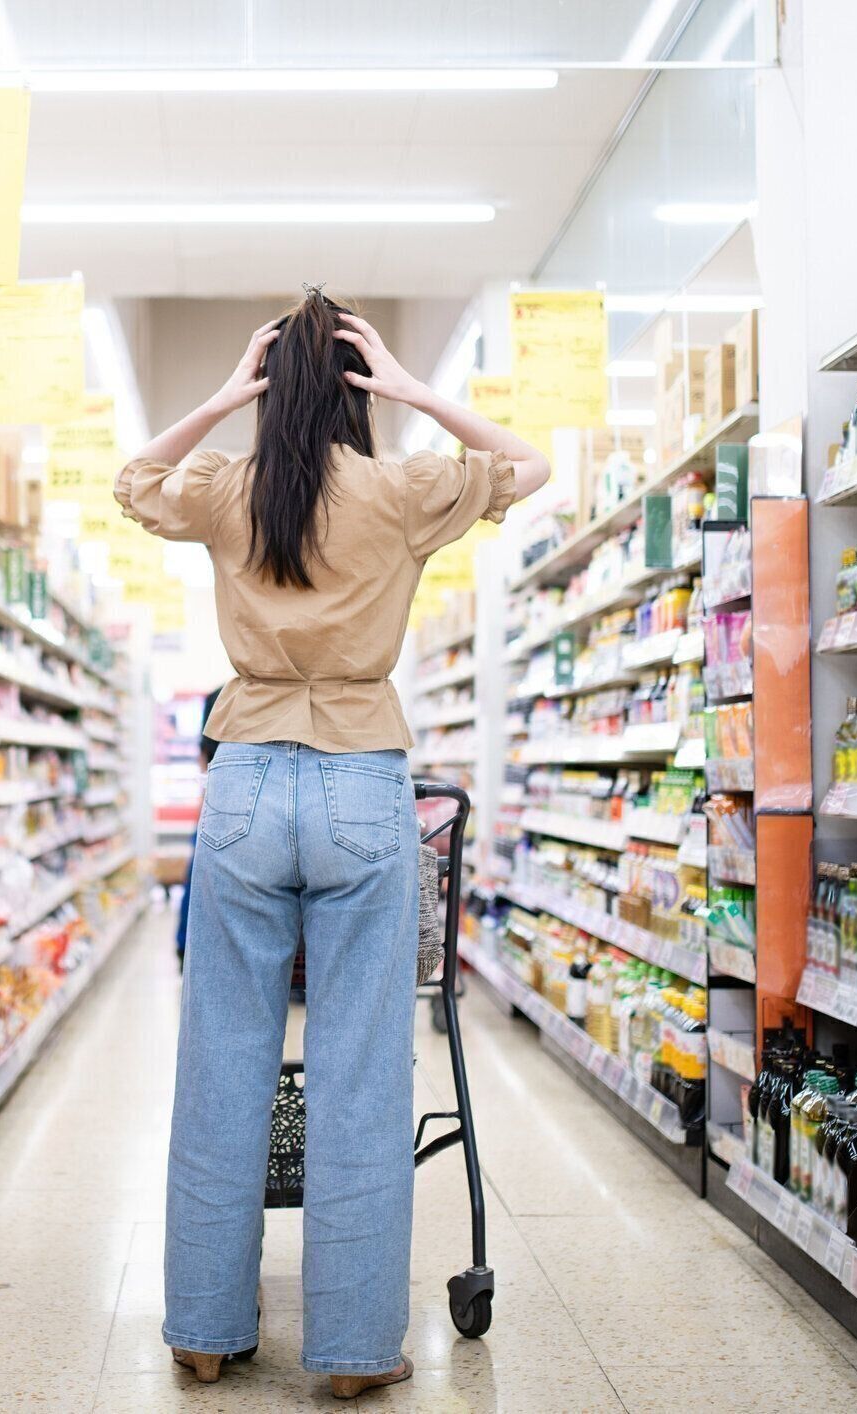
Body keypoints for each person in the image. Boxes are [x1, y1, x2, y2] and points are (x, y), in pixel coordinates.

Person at [115, 290, 550, 1398]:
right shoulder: (404, 489)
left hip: (247, 776)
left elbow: (132, 483)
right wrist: (409, 388)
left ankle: (205, 1330)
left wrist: (223, 394)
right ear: (358, 387)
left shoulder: (228, 486)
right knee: (360, 1069)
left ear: (272, 385)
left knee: (224, 1060)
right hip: (363, 778)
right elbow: (528, 463)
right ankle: (355, 1351)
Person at [173, 684, 222, 964]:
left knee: (197, 877)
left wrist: (204, 803)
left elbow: (204, 755)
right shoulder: (254, 694)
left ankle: (186, 946)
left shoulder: (218, 696)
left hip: (216, 801)